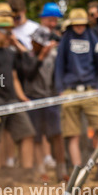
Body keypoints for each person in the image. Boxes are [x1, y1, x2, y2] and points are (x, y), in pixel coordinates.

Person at [55, 8, 98, 176]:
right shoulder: (66, 38)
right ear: (71, 25)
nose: (79, 28)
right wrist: (60, 90)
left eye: (82, 24)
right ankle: (77, 174)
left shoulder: (92, 36)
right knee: (73, 135)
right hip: (69, 91)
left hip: (90, 91)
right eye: (76, 25)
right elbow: (59, 64)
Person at [0, 10, 36, 176]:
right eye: (7, 30)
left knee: (27, 133)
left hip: (12, 99)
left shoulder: (11, 52)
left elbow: (15, 77)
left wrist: (21, 97)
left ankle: (27, 173)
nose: (10, 34)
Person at [27, 26, 66, 180]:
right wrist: (40, 57)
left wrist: (58, 95)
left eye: (35, 41)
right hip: (33, 99)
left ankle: (61, 170)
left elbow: (58, 78)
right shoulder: (29, 57)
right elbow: (29, 76)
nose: (31, 43)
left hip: (51, 99)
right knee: (36, 136)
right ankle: (41, 170)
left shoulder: (55, 57)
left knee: (57, 134)